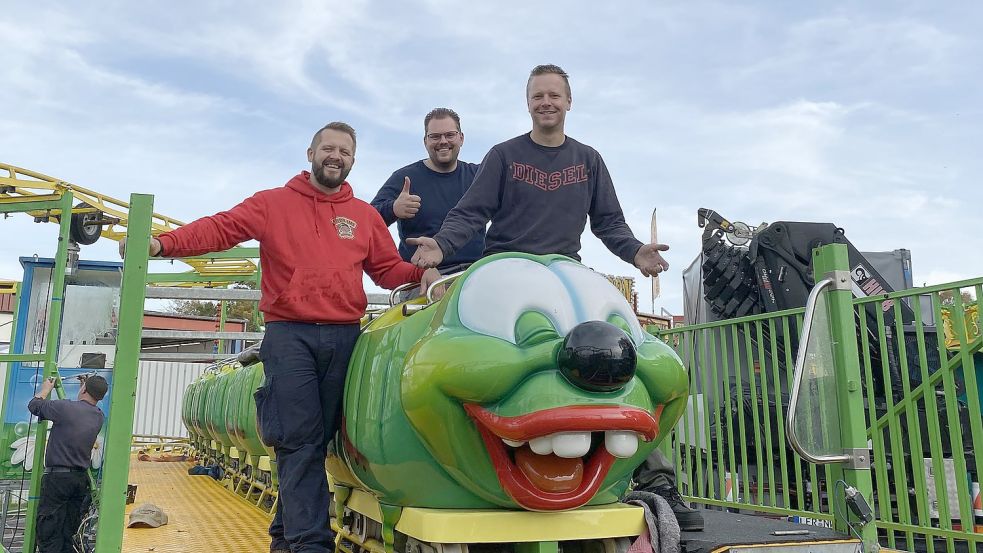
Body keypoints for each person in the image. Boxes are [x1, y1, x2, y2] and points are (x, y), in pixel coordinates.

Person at [407, 64, 704, 532]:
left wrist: (635, 253)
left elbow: (608, 222)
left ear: (568, 102)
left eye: (553, 95)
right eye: (537, 95)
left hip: (563, 275)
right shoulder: (504, 156)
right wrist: (441, 247)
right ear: (528, 103)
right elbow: (472, 212)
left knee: (614, 362)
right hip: (507, 272)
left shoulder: (587, 160)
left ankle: (657, 479)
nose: (545, 102)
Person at [120, 122, 440, 553]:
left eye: (345, 151)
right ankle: (311, 544)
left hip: (345, 337)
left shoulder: (364, 217)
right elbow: (221, 228)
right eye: (328, 148)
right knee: (298, 439)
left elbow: (386, 270)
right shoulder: (272, 203)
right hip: (291, 336)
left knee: (317, 444)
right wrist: (162, 245)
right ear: (310, 153)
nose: (336, 156)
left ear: (353, 160)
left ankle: (284, 540)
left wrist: (422, 273)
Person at [370, 107, 485, 274]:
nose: (443, 141)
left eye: (450, 135)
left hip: (473, 274)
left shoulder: (479, 176)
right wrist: (393, 208)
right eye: (435, 136)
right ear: (425, 141)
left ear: (461, 138)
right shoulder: (404, 178)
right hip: (421, 276)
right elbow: (367, 220)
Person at [29, 375, 107, 553]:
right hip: (79, 480)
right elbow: (82, 409)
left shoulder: (65, 408)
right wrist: (85, 386)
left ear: (84, 389)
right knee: (67, 533)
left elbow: (34, 405)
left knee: (49, 532)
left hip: (57, 479)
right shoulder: (98, 416)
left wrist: (46, 390)